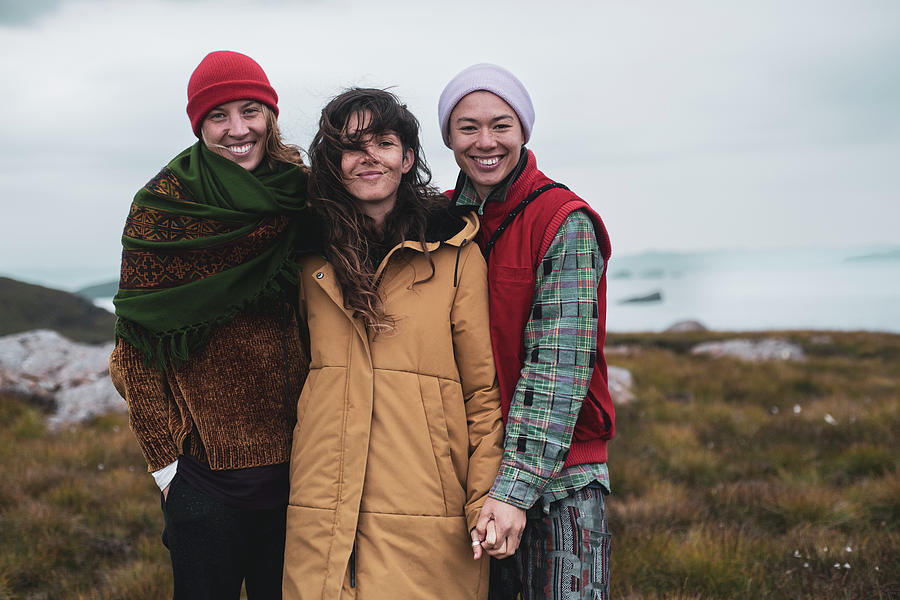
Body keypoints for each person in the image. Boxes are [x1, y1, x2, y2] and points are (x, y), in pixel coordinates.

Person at [281, 88, 504, 599]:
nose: (369, 157)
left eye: (384, 142)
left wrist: (484, 501)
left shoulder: (455, 254)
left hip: (428, 505)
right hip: (322, 506)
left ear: (407, 159)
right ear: (332, 163)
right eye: (352, 145)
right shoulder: (304, 256)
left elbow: (482, 394)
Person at [108, 50, 311, 600]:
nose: (238, 129)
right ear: (199, 124)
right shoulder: (162, 208)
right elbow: (133, 352)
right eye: (219, 116)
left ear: (271, 114)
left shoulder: (302, 195)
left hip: (303, 471)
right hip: (205, 481)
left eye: (251, 110)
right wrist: (168, 472)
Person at [438, 64, 615, 600]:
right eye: (467, 127)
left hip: (562, 475)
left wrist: (514, 490)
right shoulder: (444, 219)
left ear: (524, 132)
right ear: (448, 136)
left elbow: (559, 370)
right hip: (472, 467)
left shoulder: (564, 221)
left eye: (501, 125)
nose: (485, 142)